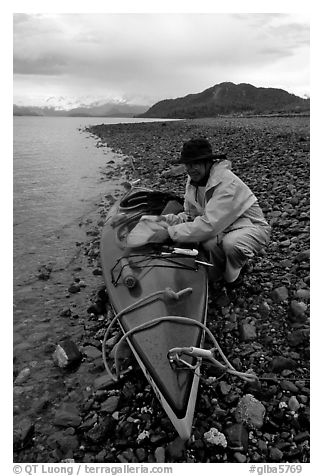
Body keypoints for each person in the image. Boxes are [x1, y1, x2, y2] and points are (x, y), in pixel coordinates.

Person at [154, 138, 271, 287]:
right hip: (225, 225)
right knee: (208, 243)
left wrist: (169, 233)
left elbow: (209, 225)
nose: (191, 169)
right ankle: (216, 276)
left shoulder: (226, 183)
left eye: (195, 163)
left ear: (208, 161)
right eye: (188, 164)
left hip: (252, 227)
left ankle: (236, 274)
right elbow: (190, 216)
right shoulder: (193, 181)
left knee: (231, 245)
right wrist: (162, 221)